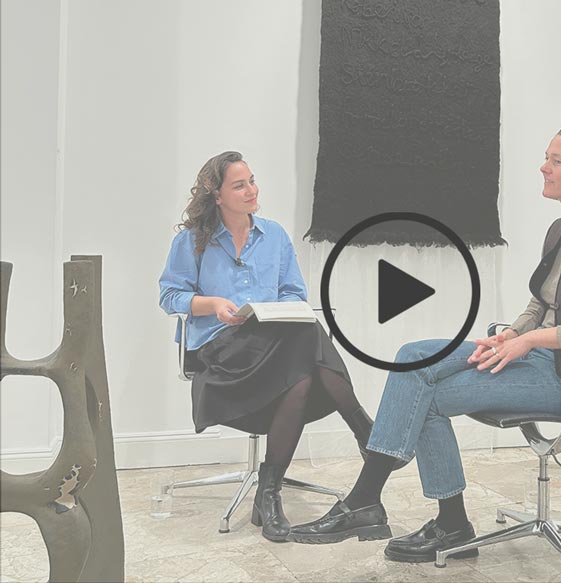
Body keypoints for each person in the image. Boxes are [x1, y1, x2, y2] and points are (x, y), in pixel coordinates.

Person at [287, 124, 561, 563]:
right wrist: (511, 334)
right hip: (541, 358)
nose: (543, 167)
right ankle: (391, 508)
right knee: (413, 356)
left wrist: (528, 340)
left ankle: (409, 512)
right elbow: (541, 302)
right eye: (546, 158)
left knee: (428, 397)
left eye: (556, 161)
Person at [158, 151, 401, 542]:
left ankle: (268, 494)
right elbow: (170, 295)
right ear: (217, 195)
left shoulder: (274, 236)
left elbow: (293, 293)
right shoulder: (191, 241)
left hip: (273, 344)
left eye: (252, 181)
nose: (252, 191)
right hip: (221, 350)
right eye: (240, 185)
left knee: (300, 372)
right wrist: (213, 304)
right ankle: (367, 434)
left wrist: (276, 310)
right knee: (308, 340)